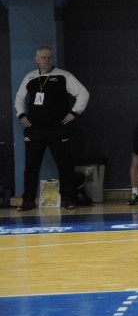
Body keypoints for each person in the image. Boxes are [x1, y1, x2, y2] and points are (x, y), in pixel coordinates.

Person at [14, 46, 90, 211]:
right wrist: (22, 115)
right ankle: (28, 201)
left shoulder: (64, 76)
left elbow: (83, 93)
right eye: (43, 57)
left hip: (58, 128)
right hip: (35, 128)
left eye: (49, 57)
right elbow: (19, 98)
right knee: (31, 166)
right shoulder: (30, 77)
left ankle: (68, 199)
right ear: (37, 59)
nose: (47, 60)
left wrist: (74, 112)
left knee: (65, 164)